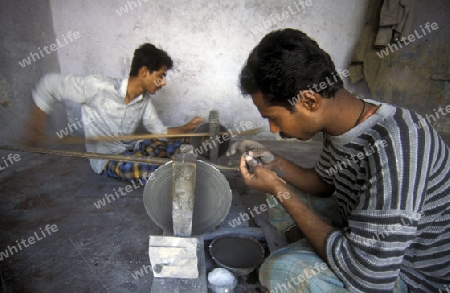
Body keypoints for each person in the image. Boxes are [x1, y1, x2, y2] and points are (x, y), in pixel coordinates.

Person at [230, 28, 450, 292]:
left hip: (407, 274)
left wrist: (280, 190)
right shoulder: (349, 116)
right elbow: (324, 184)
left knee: (281, 270)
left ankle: (319, 253)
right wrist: (276, 164)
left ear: (310, 101)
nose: (274, 129)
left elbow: (371, 279)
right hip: (360, 228)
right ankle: (325, 248)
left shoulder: (400, 144)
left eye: (274, 118)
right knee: (278, 191)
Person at [27, 43, 204, 183]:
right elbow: (48, 85)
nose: (163, 83)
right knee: (164, 174)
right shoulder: (97, 87)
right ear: (144, 72)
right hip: (109, 159)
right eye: (161, 76)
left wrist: (187, 128)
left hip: (133, 147)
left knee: (188, 139)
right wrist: (35, 129)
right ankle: (173, 170)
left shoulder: (144, 101)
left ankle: (174, 158)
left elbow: (160, 132)